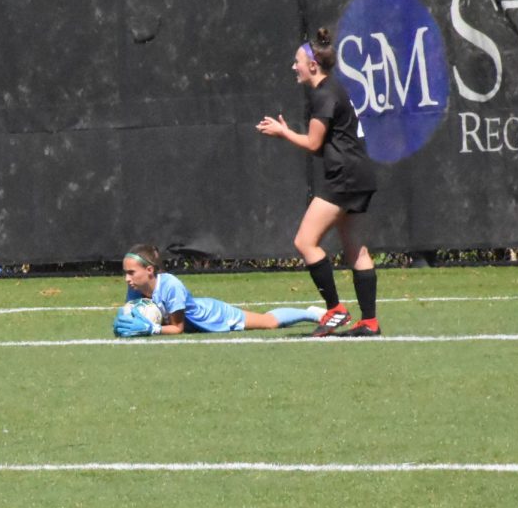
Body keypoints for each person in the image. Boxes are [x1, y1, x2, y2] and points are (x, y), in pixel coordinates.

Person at [256, 27, 381, 337]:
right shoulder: (333, 90)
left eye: (297, 61)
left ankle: (335, 309)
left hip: (345, 177)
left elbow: (314, 144)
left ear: (313, 65)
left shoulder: (324, 93)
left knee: (305, 241)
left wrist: (283, 132)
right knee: (356, 249)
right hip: (359, 174)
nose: (294, 66)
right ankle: (369, 322)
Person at [113, 244, 323, 337]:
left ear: (149, 270)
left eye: (131, 272)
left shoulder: (170, 286)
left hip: (214, 316)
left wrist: (152, 330)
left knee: (268, 322)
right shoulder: (136, 287)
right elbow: (133, 314)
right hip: (194, 321)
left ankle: (312, 313)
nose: (127, 278)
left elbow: (177, 328)